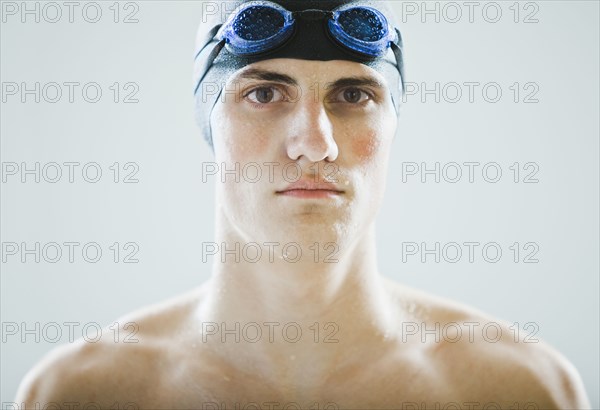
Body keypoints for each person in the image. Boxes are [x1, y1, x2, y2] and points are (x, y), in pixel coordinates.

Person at [15, 0, 591, 408]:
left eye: (353, 94)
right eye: (264, 93)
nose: (316, 143)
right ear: (208, 122)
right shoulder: (82, 394)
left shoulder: (518, 391)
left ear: (393, 123)